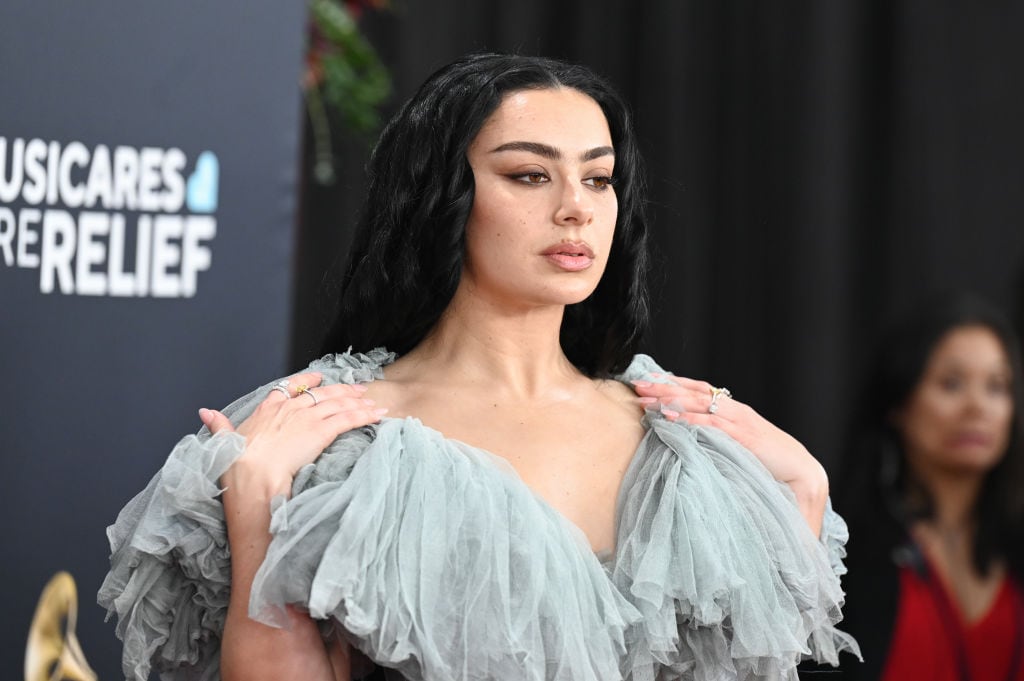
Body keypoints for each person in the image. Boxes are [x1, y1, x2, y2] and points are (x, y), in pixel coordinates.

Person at [99, 53, 858, 681]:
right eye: (530, 174)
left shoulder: (681, 435)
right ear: (444, 194)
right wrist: (259, 504)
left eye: (598, 178)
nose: (576, 207)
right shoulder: (327, 428)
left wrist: (801, 497)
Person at [835, 292, 1024, 680]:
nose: (978, 406)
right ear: (897, 404)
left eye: (997, 386)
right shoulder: (843, 552)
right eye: (952, 383)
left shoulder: (1015, 542)